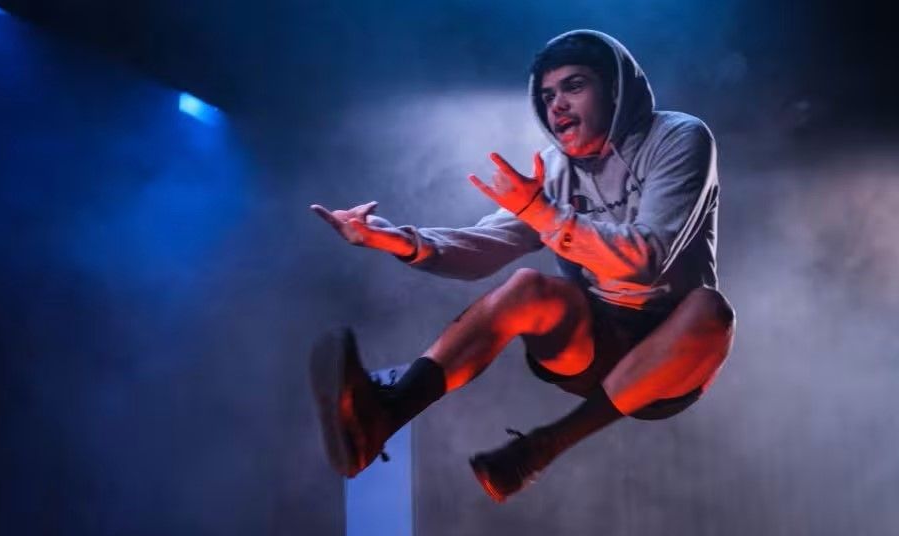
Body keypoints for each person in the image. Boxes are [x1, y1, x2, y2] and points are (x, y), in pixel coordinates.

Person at [308, 29, 735, 503]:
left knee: (710, 310)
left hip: (673, 357)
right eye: (547, 95)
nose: (558, 105)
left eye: (574, 86)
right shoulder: (554, 168)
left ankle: (538, 449)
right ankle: (384, 415)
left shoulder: (677, 137)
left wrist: (544, 213)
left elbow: (648, 258)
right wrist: (401, 241)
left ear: (615, 91)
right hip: (591, 343)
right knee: (527, 286)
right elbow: (486, 246)